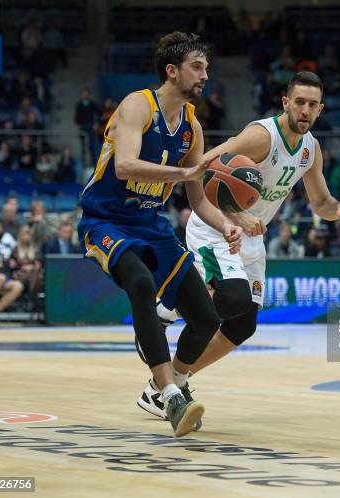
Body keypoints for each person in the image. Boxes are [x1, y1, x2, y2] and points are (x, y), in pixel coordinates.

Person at [137, 71, 340, 420]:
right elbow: (204, 165)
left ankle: (169, 384)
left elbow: (321, 203)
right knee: (232, 300)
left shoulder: (310, 149)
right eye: (299, 102)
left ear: (320, 110)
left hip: (251, 236)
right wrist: (233, 215)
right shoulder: (262, 136)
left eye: (312, 105)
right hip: (216, 226)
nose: (305, 110)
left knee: (243, 324)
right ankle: (167, 306)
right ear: (285, 103)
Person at [77, 32, 242, 438]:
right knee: (140, 280)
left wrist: (226, 224)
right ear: (172, 71)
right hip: (107, 220)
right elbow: (125, 166)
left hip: (152, 226)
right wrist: (183, 172)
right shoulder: (137, 105)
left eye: (206, 67)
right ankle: (169, 394)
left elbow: (199, 202)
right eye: (197, 67)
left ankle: (168, 385)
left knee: (206, 317)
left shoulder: (192, 127)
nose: (206, 74)